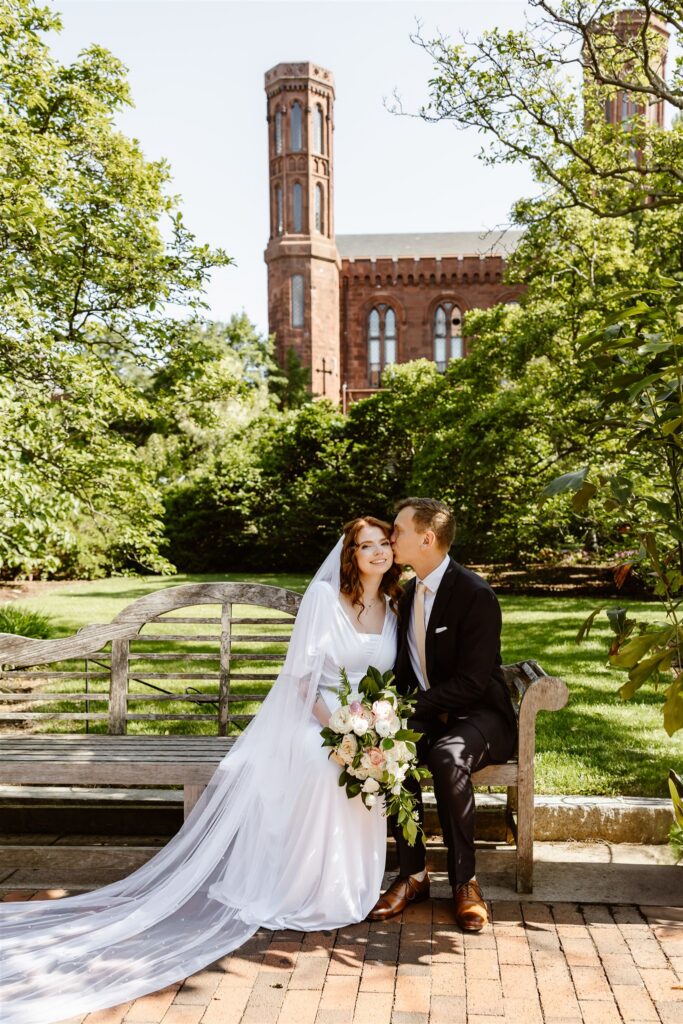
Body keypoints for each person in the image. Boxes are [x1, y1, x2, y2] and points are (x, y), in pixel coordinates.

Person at [0, 517, 400, 1024]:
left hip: (371, 723)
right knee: (323, 761)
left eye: (384, 544)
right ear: (350, 554)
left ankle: (347, 886)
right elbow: (302, 681)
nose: (378, 552)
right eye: (367, 546)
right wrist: (340, 730)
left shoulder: (393, 606)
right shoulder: (325, 601)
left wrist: (374, 729)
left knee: (373, 766)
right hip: (319, 716)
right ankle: (304, 887)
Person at [367, 498, 517, 932]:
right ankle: (412, 875)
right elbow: (405, 667)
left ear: (426, 538)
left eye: (397, 530)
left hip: (481, 717)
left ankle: (465, 882)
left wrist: (407, 708)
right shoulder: (408, 592)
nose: (391, 537)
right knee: (388, 746)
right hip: (433, 714)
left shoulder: (476, 595)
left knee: (447, 757)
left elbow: (472, 682)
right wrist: (384, 713)